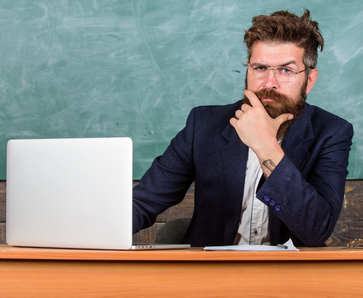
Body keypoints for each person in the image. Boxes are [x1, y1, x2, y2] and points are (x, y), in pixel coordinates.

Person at [132, 10, 354, 247]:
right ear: (248, 70)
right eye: (260, 68)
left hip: (291, 277)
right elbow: (143, 202)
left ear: (309, 80)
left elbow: (316, 229)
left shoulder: (332, 132)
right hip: (211, 273)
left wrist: (266, 146)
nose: (270, 83)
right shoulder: (203, 124)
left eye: (286, 71)